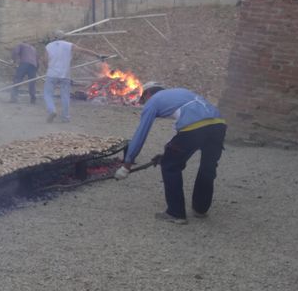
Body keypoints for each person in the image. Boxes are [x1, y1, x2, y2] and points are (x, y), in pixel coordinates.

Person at [114, 82, 226, 225]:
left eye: (144, 98)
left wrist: (127, 164)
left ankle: (175, 213)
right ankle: (200, 209)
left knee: (170, 166)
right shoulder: (181, 92)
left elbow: (141, 133)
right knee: (207, 167)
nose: (144, 102)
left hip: (195, 127)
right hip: (218, 124)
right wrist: (167, 153)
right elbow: (184, 136)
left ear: (147, 94)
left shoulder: (153, 100)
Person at [42, 30, 104, 123]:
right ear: (64, 37)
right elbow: (84, 50)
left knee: (47, 94)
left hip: (51, 74)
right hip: (65, 74)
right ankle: (66, 117)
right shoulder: (69, 45)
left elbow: (44, 60)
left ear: (54, 37)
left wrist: (48, 68)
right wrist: (98, 55)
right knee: (65, 96)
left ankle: (52, 110)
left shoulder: (48, 46)